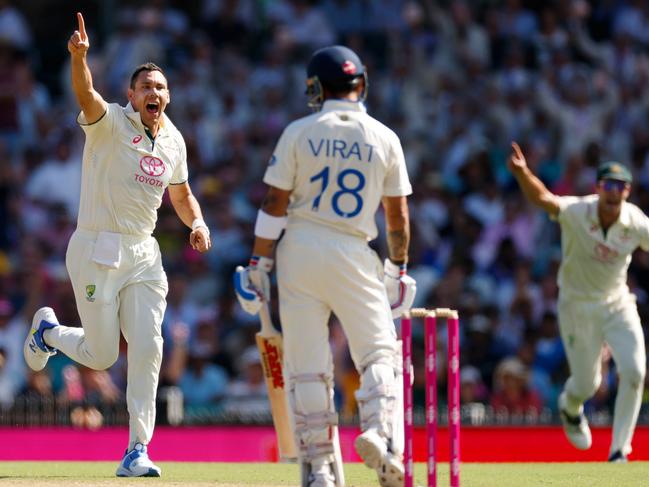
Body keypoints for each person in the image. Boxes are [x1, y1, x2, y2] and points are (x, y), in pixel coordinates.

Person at [23, 12, 211, 477]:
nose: (154, 93)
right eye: (146, 87)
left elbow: (182, 195)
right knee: (104, 354)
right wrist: (79, 58)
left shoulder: (173, 141)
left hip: (144, 255)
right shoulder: (109, 122)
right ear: (132, 95)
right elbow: (86, 95)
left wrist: (199, 222)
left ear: (168, 96)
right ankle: (48, 333)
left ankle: (137, 450)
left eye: (161, 87)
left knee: (149, 345)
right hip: (95, 249)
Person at [234, 45, 416, 487]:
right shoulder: (385, 137)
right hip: (354, 250)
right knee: (378, 353)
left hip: (299, 252)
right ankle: (379, 433)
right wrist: (397, 269)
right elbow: (397, 219)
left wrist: (259, 262)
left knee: (308, 366)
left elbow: (274, 203)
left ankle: (319, 470)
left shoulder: (299, 131)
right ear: (362, 84)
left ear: (316, 87)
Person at [507, 142, 647, 462]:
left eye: (621, 187)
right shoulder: (577, 211)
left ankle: (619, 451)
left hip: (617, 303)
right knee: (588, 383)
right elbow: (543, 199)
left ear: (627, 191)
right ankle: (570, 405)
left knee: (636, 370)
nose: (614, 193)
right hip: (577, 306)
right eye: (608, 185)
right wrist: (523, 173)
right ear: (598, 188)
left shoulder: (635, 221)